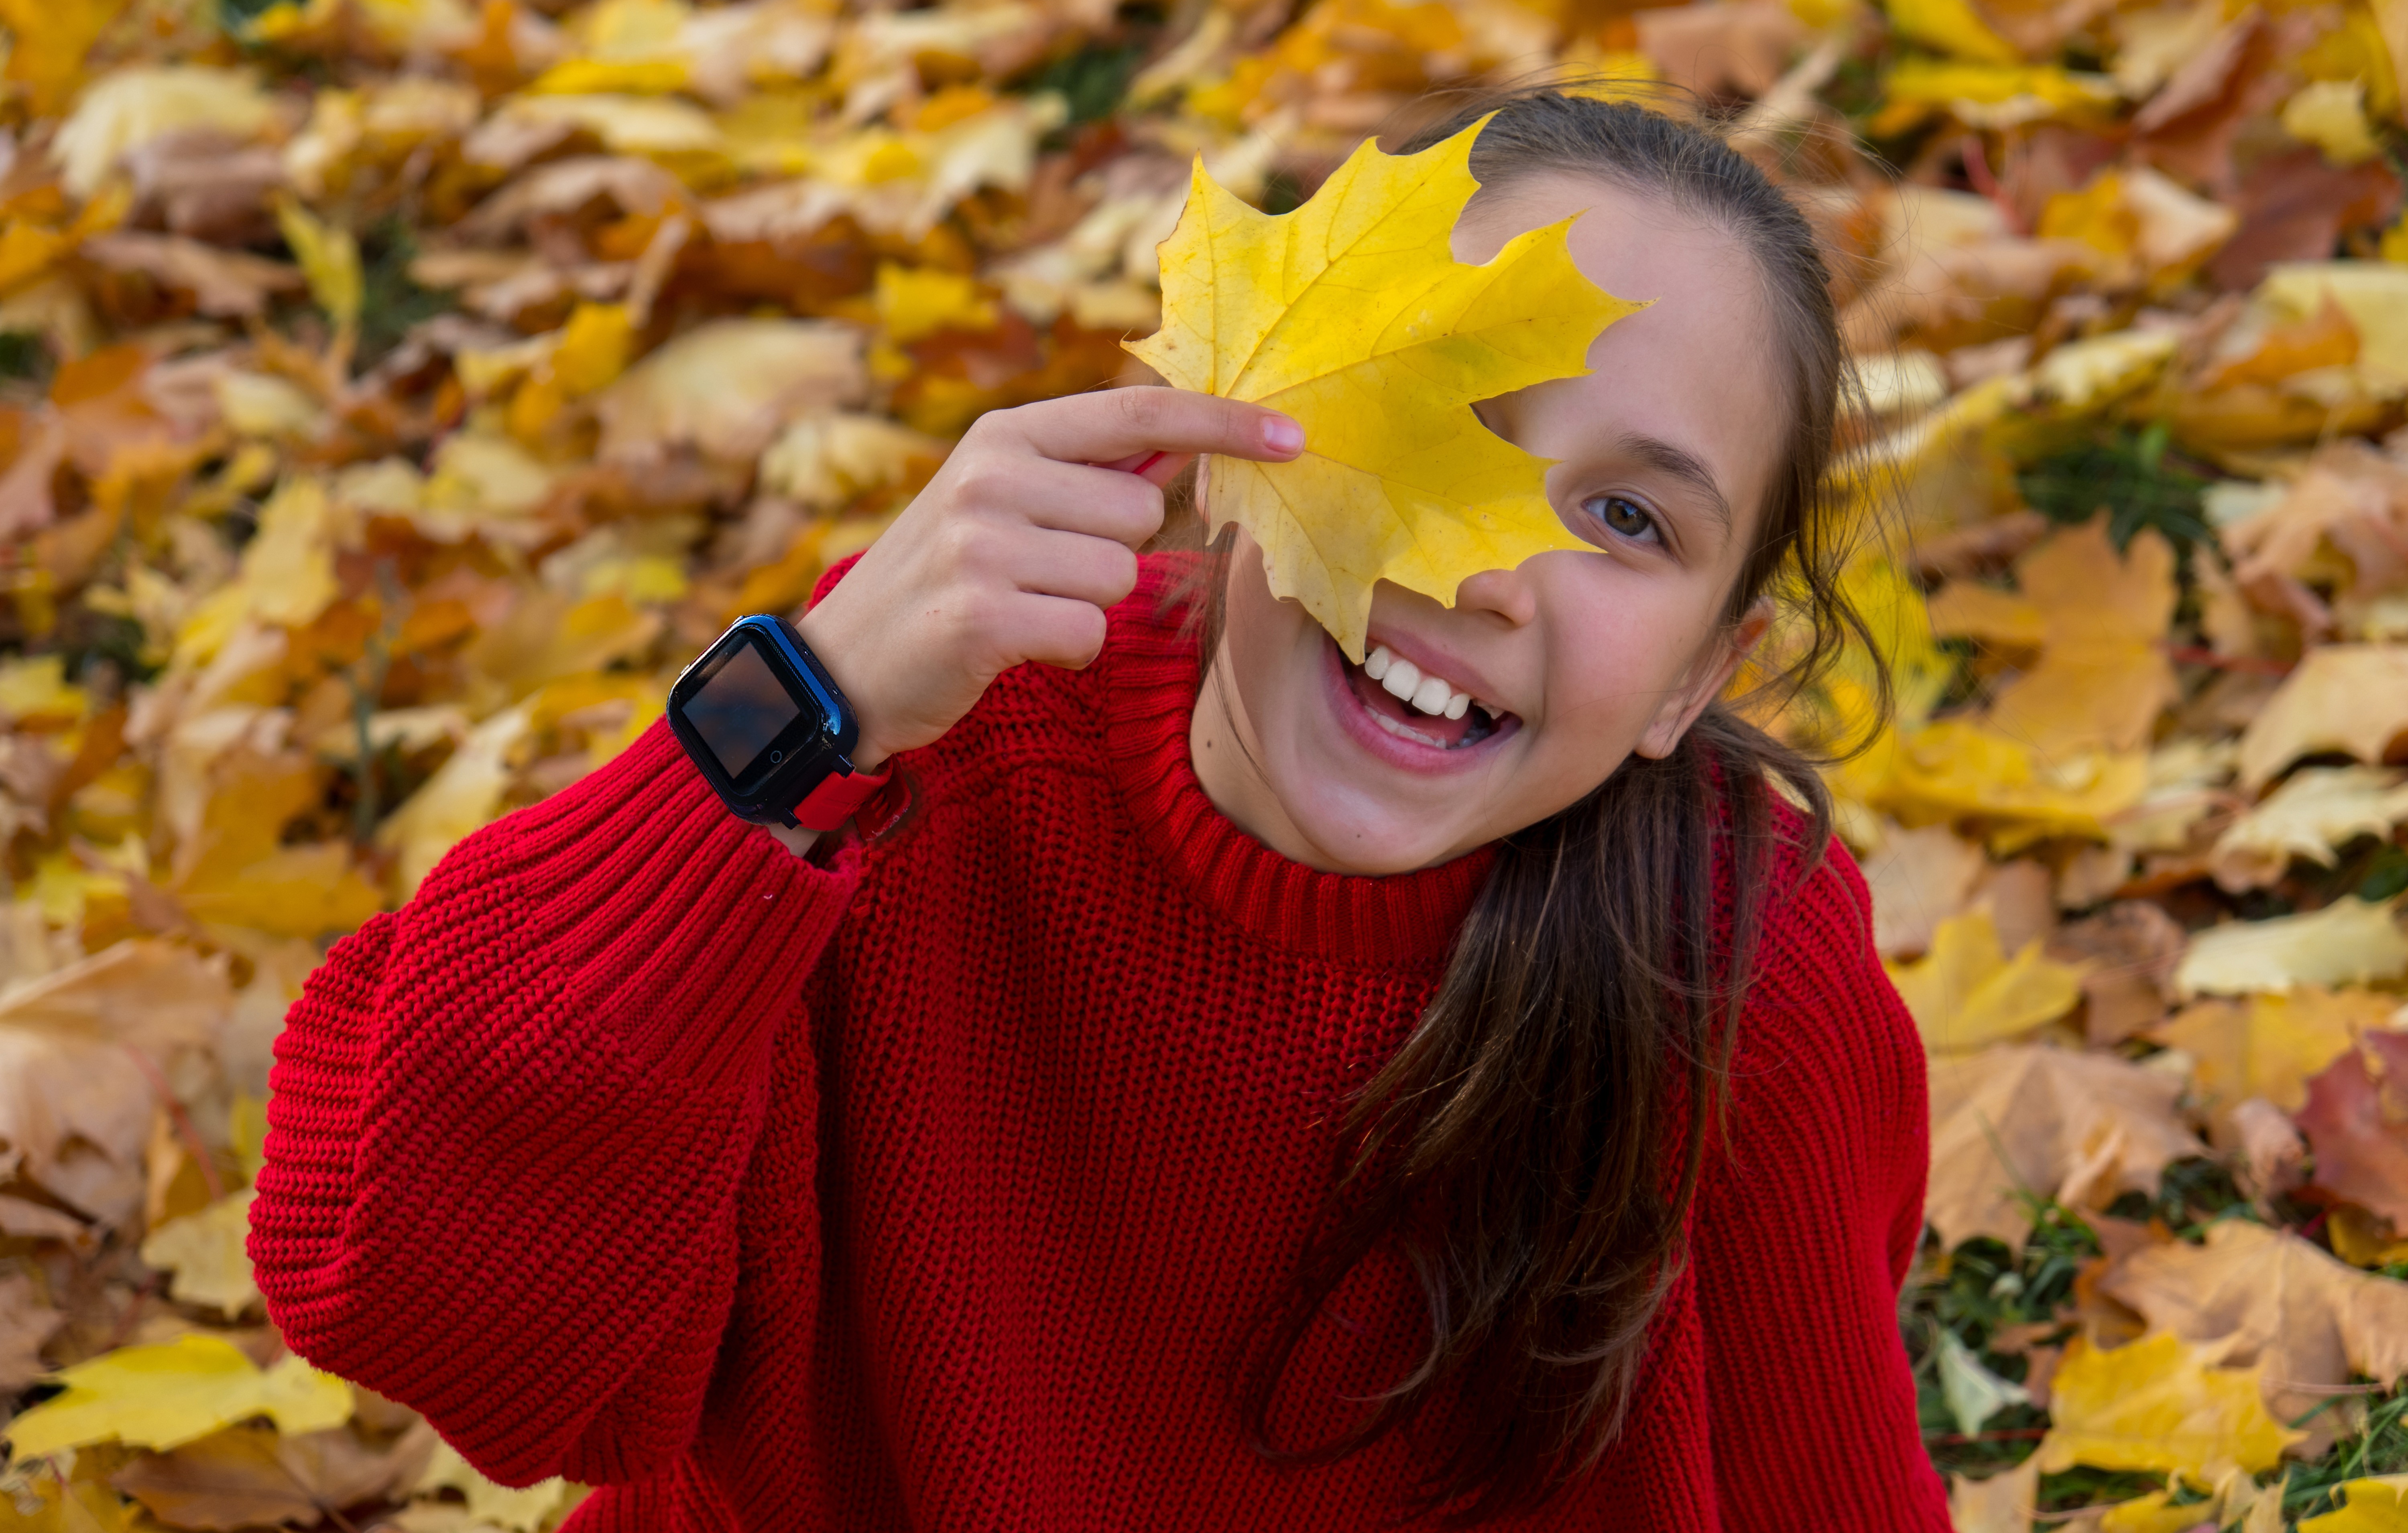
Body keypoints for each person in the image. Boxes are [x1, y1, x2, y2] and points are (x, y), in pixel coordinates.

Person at [249, 92, 1950, 1531]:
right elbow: (404, 1295)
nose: (1490, 566)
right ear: (1245, 422)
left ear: (1693, 682)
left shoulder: (1733, 976)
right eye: (1450, 428)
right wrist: (785, 732)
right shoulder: (922, 761)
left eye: (1629, 518)